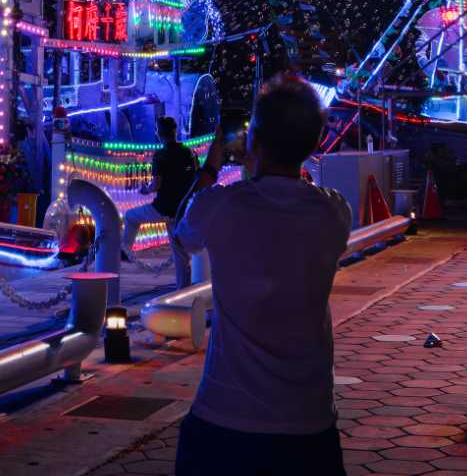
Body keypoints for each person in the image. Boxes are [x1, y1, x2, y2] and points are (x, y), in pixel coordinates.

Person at [169, 76, 352, 476]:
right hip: (310, 418)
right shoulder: (335, 213)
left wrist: (212, 167)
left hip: (226, 415)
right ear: (314, 141)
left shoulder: (219, 206)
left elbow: (180, 235)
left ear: (254, 139)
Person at [122, 115, 200, 287]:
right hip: (181, 209)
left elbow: (156, 184)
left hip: (162, 208)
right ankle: (183, 289)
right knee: (180, 253)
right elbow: (196, 179)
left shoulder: (160, 156)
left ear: (159, 133)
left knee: (130, 216)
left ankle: (124, 250)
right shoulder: (189, 153)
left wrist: (145, 189)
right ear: (175, 131)